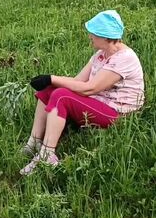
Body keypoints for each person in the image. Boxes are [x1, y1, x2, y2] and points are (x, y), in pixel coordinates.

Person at [21, 10, 145, 175]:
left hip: (117, 113)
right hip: (99, 103)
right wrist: (49, 81)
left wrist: (52, 78)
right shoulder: (100, 55)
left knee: (60, 95)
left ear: (106, 36)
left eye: (94, 33)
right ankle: (34, 141)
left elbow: (90, 88)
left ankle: (47, 155)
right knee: (50, 90)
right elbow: (78, 81)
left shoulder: (124, 58)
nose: (90, 36)